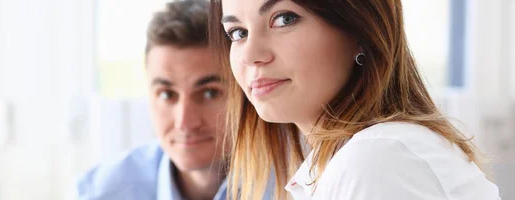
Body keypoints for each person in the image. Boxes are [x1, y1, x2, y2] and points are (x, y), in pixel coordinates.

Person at [209, 0, 502, 199]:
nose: (250, 55)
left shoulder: (379, 157)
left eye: (284, 19)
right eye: (238, 33)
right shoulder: (355, 158)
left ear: (361, 30)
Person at [77, 1, 229, 199]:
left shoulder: (281, 187)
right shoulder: (99, 192)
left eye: (209, 93)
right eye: (167, 94)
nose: (184, 122)